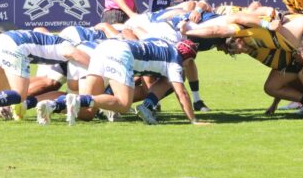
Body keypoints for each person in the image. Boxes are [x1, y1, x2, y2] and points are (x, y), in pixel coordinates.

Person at [36, 38, 204, 125]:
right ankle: (77, 99)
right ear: (188, 61)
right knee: (124, 104)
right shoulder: (175, 61)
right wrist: (193, 120)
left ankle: (53, 105)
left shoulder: (166, 45)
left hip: (103, 48)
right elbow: (181, 93)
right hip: (121, 54)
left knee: (88, 113)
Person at [0, 30, 90, 123]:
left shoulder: (54, 39)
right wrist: (95, 68)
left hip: (1, 40)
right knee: (19, 95)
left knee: (0, 89)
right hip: (16, 47)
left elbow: (39, 29)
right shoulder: (67, 46)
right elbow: (73, 53)